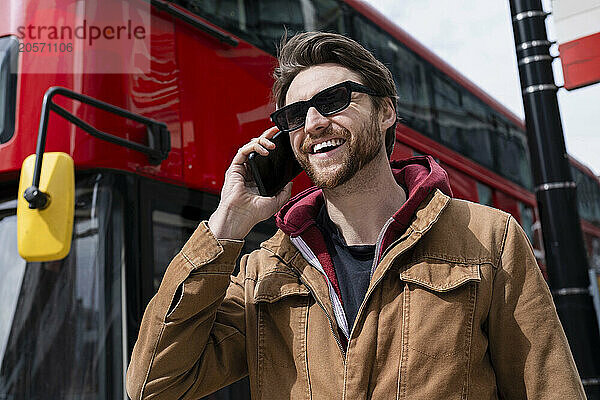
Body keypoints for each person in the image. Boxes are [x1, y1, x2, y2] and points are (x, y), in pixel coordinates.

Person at [126, 32, 585, 399]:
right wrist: (227, 224)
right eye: (295, 115)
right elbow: (153, 385)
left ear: (385, 111)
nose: (312, 124)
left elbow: (549, 388)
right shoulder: (266, 268)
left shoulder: (489, 238)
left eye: (333, 101)